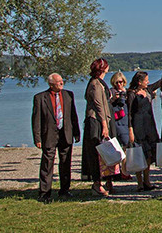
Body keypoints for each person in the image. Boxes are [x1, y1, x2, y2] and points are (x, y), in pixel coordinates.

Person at [32, 73, 80, 203]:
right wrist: (37, 138)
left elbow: (73, 115)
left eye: (62, 81)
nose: (61, 83)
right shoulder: (40, 98)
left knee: (65, 162)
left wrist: (76, 132)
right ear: (51, 84)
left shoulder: (68, 95)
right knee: (47, 164)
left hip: (66, 133)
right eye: (58, 82)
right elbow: (36, 119)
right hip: (49, 135)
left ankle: (64, 190)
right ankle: (44, 192)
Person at [83, 57, 117, 196]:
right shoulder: (96, 84)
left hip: (105, 119)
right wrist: (104, 125)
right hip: (97, 121)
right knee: (97, 151)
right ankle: (97, 183)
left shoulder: (99, 83)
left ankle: (108, 179)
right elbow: (99, 106)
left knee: (108, 149)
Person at [127, 71, 159, 191]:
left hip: (149, 124)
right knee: (138, 153)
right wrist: (130, 129)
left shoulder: (148, 90)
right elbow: (129, 113)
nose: (148, 82)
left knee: (149, 154)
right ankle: (139, 182)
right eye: (146, 80)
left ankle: (147, 180)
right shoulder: (131, 94)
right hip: (138, 125)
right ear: (139, 82)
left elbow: (159, 83)